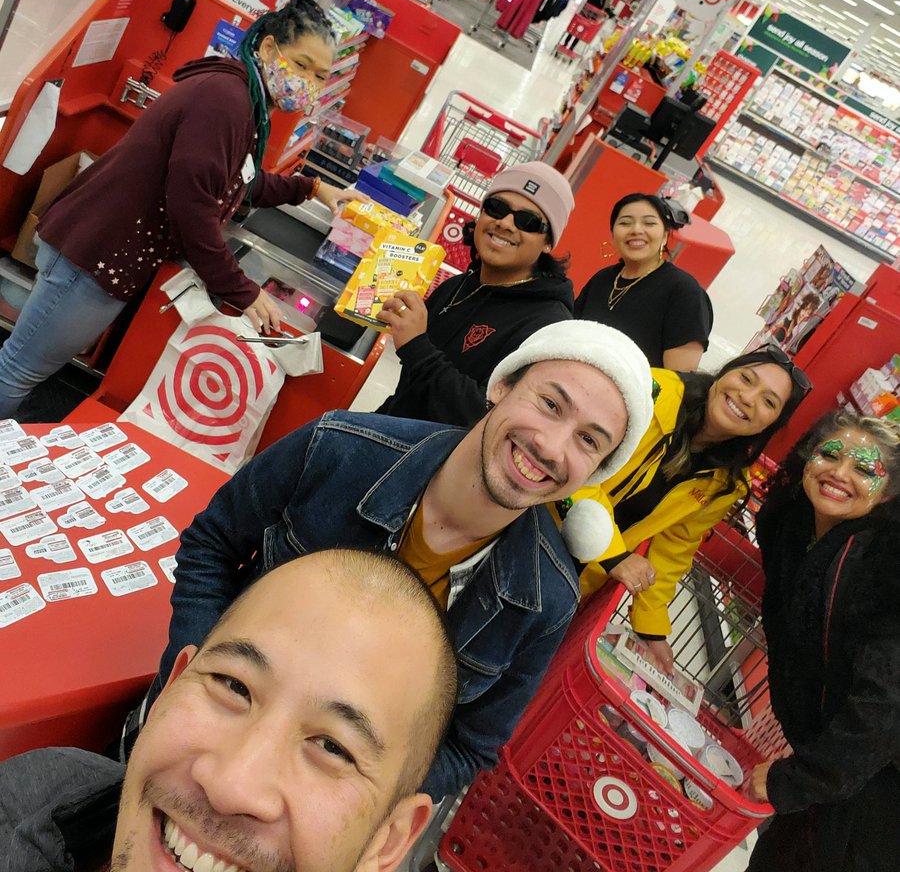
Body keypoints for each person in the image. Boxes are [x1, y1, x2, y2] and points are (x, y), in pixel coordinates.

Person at [139, 320, 654, 801]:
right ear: (501, 387)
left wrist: (355, 792)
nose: (551, 445)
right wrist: (198, 682)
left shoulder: (545, 599)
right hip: (201, 730)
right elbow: (213, 543)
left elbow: (472, 746)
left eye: (589, 440)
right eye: (549, 403)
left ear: (594, 472)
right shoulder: (338, 449)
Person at [0, 0, 360, 420]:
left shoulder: (242, 97)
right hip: (96, 254)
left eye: (319, 76)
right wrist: (242, 291)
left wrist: (314, 188)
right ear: (268, 49)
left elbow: (238, 180)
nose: (308, 84)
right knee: (19, 368)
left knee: (24, 365)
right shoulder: (226, 101)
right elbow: (192, 208)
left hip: (103, 251)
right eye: (301, 65)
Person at [0, 548, 459, 872]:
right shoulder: (31, 789)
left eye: (332, 747)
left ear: (391, 840)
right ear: (169, 690)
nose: (229, 786)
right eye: (233, 685)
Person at [570, 345, 811, 674]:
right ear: (725, 373)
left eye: (769, 402)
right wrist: (614, 555)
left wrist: (652, 628)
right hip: (529, 526)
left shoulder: (726, 482)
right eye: (746, 378)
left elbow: (674, 548)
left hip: (577, 580)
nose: (747, 398)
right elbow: (576, 465)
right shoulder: (655, 393)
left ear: (770, 425)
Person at [746, 412, 900, 871]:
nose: (839, 472)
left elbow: (884, 704)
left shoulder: (885, 566)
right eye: (831, 455)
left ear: (888, 492)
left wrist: (799, 779)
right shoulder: (795, 533)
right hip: (828, 770)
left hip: (879, 792)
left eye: (863, 469)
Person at [377, 161, 576, 425]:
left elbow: (489, 418)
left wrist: (417, 348)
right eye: (496, 208)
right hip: (391, 431)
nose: (505, 223)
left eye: (527, 221)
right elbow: (410, 393)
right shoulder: (458, 286)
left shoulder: (547, 328)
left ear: (548, 242)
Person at [574, 193, 713, 370]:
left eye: (649, 223)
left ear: (665, 236)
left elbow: (677, 381)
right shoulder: (603, 279)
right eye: (625, 223)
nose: (636, 230)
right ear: (612, 236)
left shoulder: (685, 292)